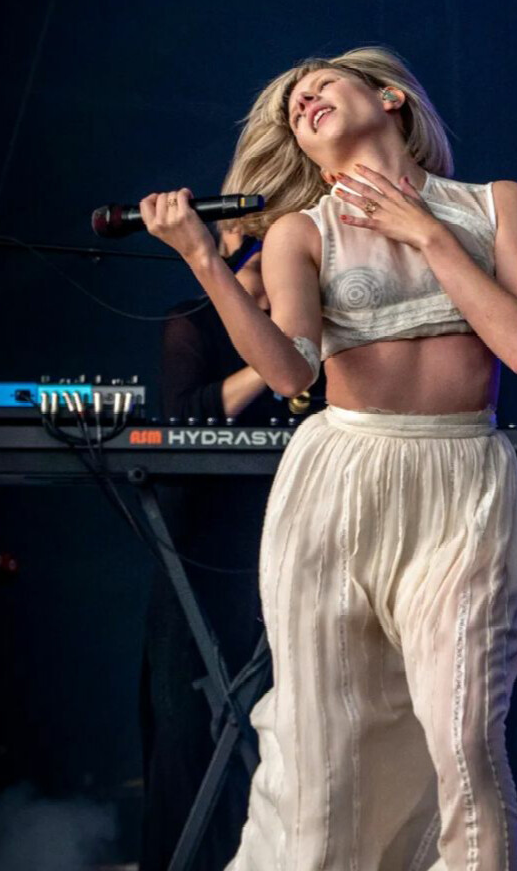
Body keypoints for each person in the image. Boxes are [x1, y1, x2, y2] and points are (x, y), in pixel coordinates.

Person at [140, 46, 517, 871]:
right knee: (328, 762)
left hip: (464, 482)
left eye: (320, 85)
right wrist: (203, 261)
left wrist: (425, 232)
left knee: (466, 734)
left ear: (390, 98)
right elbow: (292, 374)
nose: (304, 103)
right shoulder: (302, 232)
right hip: (344, 482)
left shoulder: (498, 203)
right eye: (293, 108)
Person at [140, 230, 298, 870]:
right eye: (259, 269)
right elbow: (185, 417)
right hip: (202, 549)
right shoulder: (194, 321)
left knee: (282, 725)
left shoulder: (309, 315)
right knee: (187, 723)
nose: (270, 285)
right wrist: (277, 358)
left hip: (281, 542)